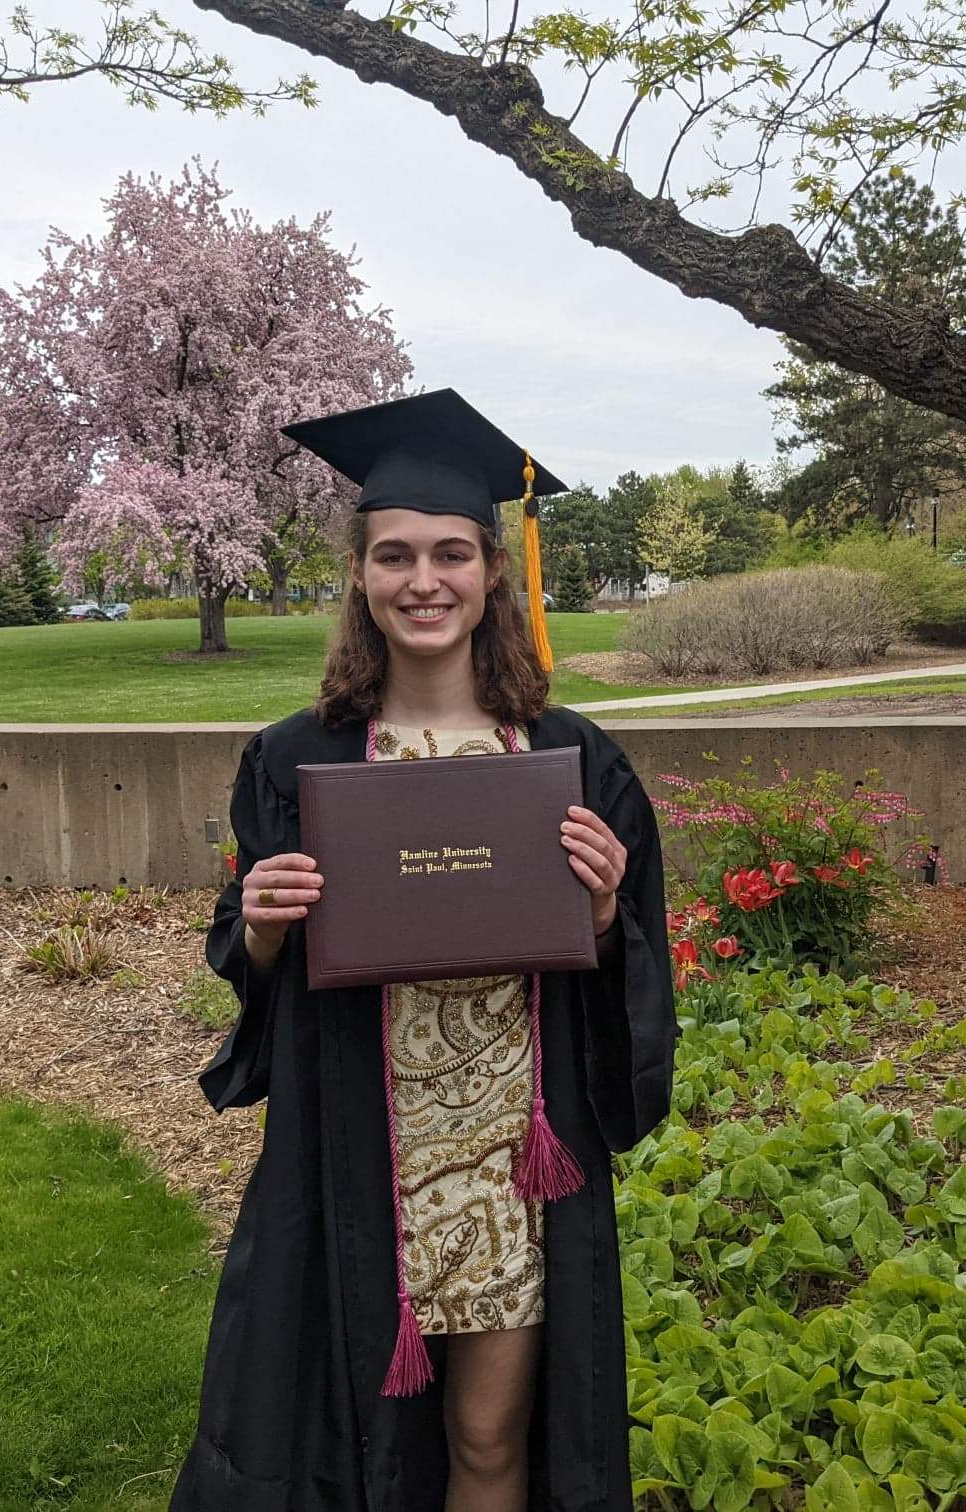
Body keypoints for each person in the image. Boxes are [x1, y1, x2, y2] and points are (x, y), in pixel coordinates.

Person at [169, 389, 676, 1512]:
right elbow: (245, 961)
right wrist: (258, 923)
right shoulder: (293, 760)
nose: (423, 580)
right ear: (359, 575)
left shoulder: (575, 759)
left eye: (452, 553)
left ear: (495, 572)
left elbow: (635, 966)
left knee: (491, 1442)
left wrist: (601, 916)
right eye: (393, 555)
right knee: (347, 1440)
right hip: (356, 1150)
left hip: (514, 1166)